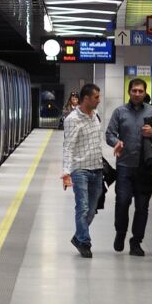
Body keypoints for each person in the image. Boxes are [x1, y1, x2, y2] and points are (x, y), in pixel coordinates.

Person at [105, 78, 152, 256]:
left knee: (142, 206)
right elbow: (109, 133)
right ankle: (120, 232)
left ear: (145, 93)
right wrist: (116, 142)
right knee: (122, 202)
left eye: (140, 91)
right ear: (129, 92)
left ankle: (136, 241)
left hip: (145, 168)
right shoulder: (119, 112)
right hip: (124, 166)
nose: (137, 94)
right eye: (134, 91)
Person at [62, 84, 104, 258]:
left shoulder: (96, 117)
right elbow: (68, 147)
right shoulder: (72, 119)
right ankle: (85, 242)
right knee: (83, 207)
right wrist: (66, 172)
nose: (99, 100)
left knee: (92, 209)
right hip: (80, 170)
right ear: (86, 98)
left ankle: (79, 237)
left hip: (97, 169)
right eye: (96, 97)